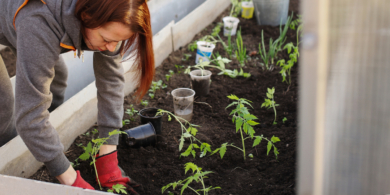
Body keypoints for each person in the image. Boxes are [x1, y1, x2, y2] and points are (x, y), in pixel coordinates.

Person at [0, 0, 154, 194]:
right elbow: (30, 117)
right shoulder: (39, 23)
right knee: (3, 108)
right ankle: (8, 172)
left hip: (19, 18)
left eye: (118, 40)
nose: (111, 47)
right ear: (87, 17)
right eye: (106, 39)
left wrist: (108, 151)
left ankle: (43, 140)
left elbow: (111, 81)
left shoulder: (113, 14)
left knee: (57, 79)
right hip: (22, 18)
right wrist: (72, 182)